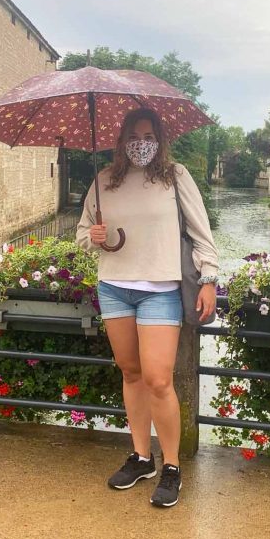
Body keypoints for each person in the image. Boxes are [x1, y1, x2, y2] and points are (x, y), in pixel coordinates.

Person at [76, 107, 219, 508]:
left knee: (158, 379)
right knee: (132, 372)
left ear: (160, 139)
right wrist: (95, 237)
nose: (142, 143)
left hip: (160, 289)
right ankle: (142, 457)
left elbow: (200, 231)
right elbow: (82, 233)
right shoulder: (104, 180)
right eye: (135, 136)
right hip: (115, 287)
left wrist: (208, 278)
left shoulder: (176, 177)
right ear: (121, 140)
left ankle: (172, 465)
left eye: (149, 135)